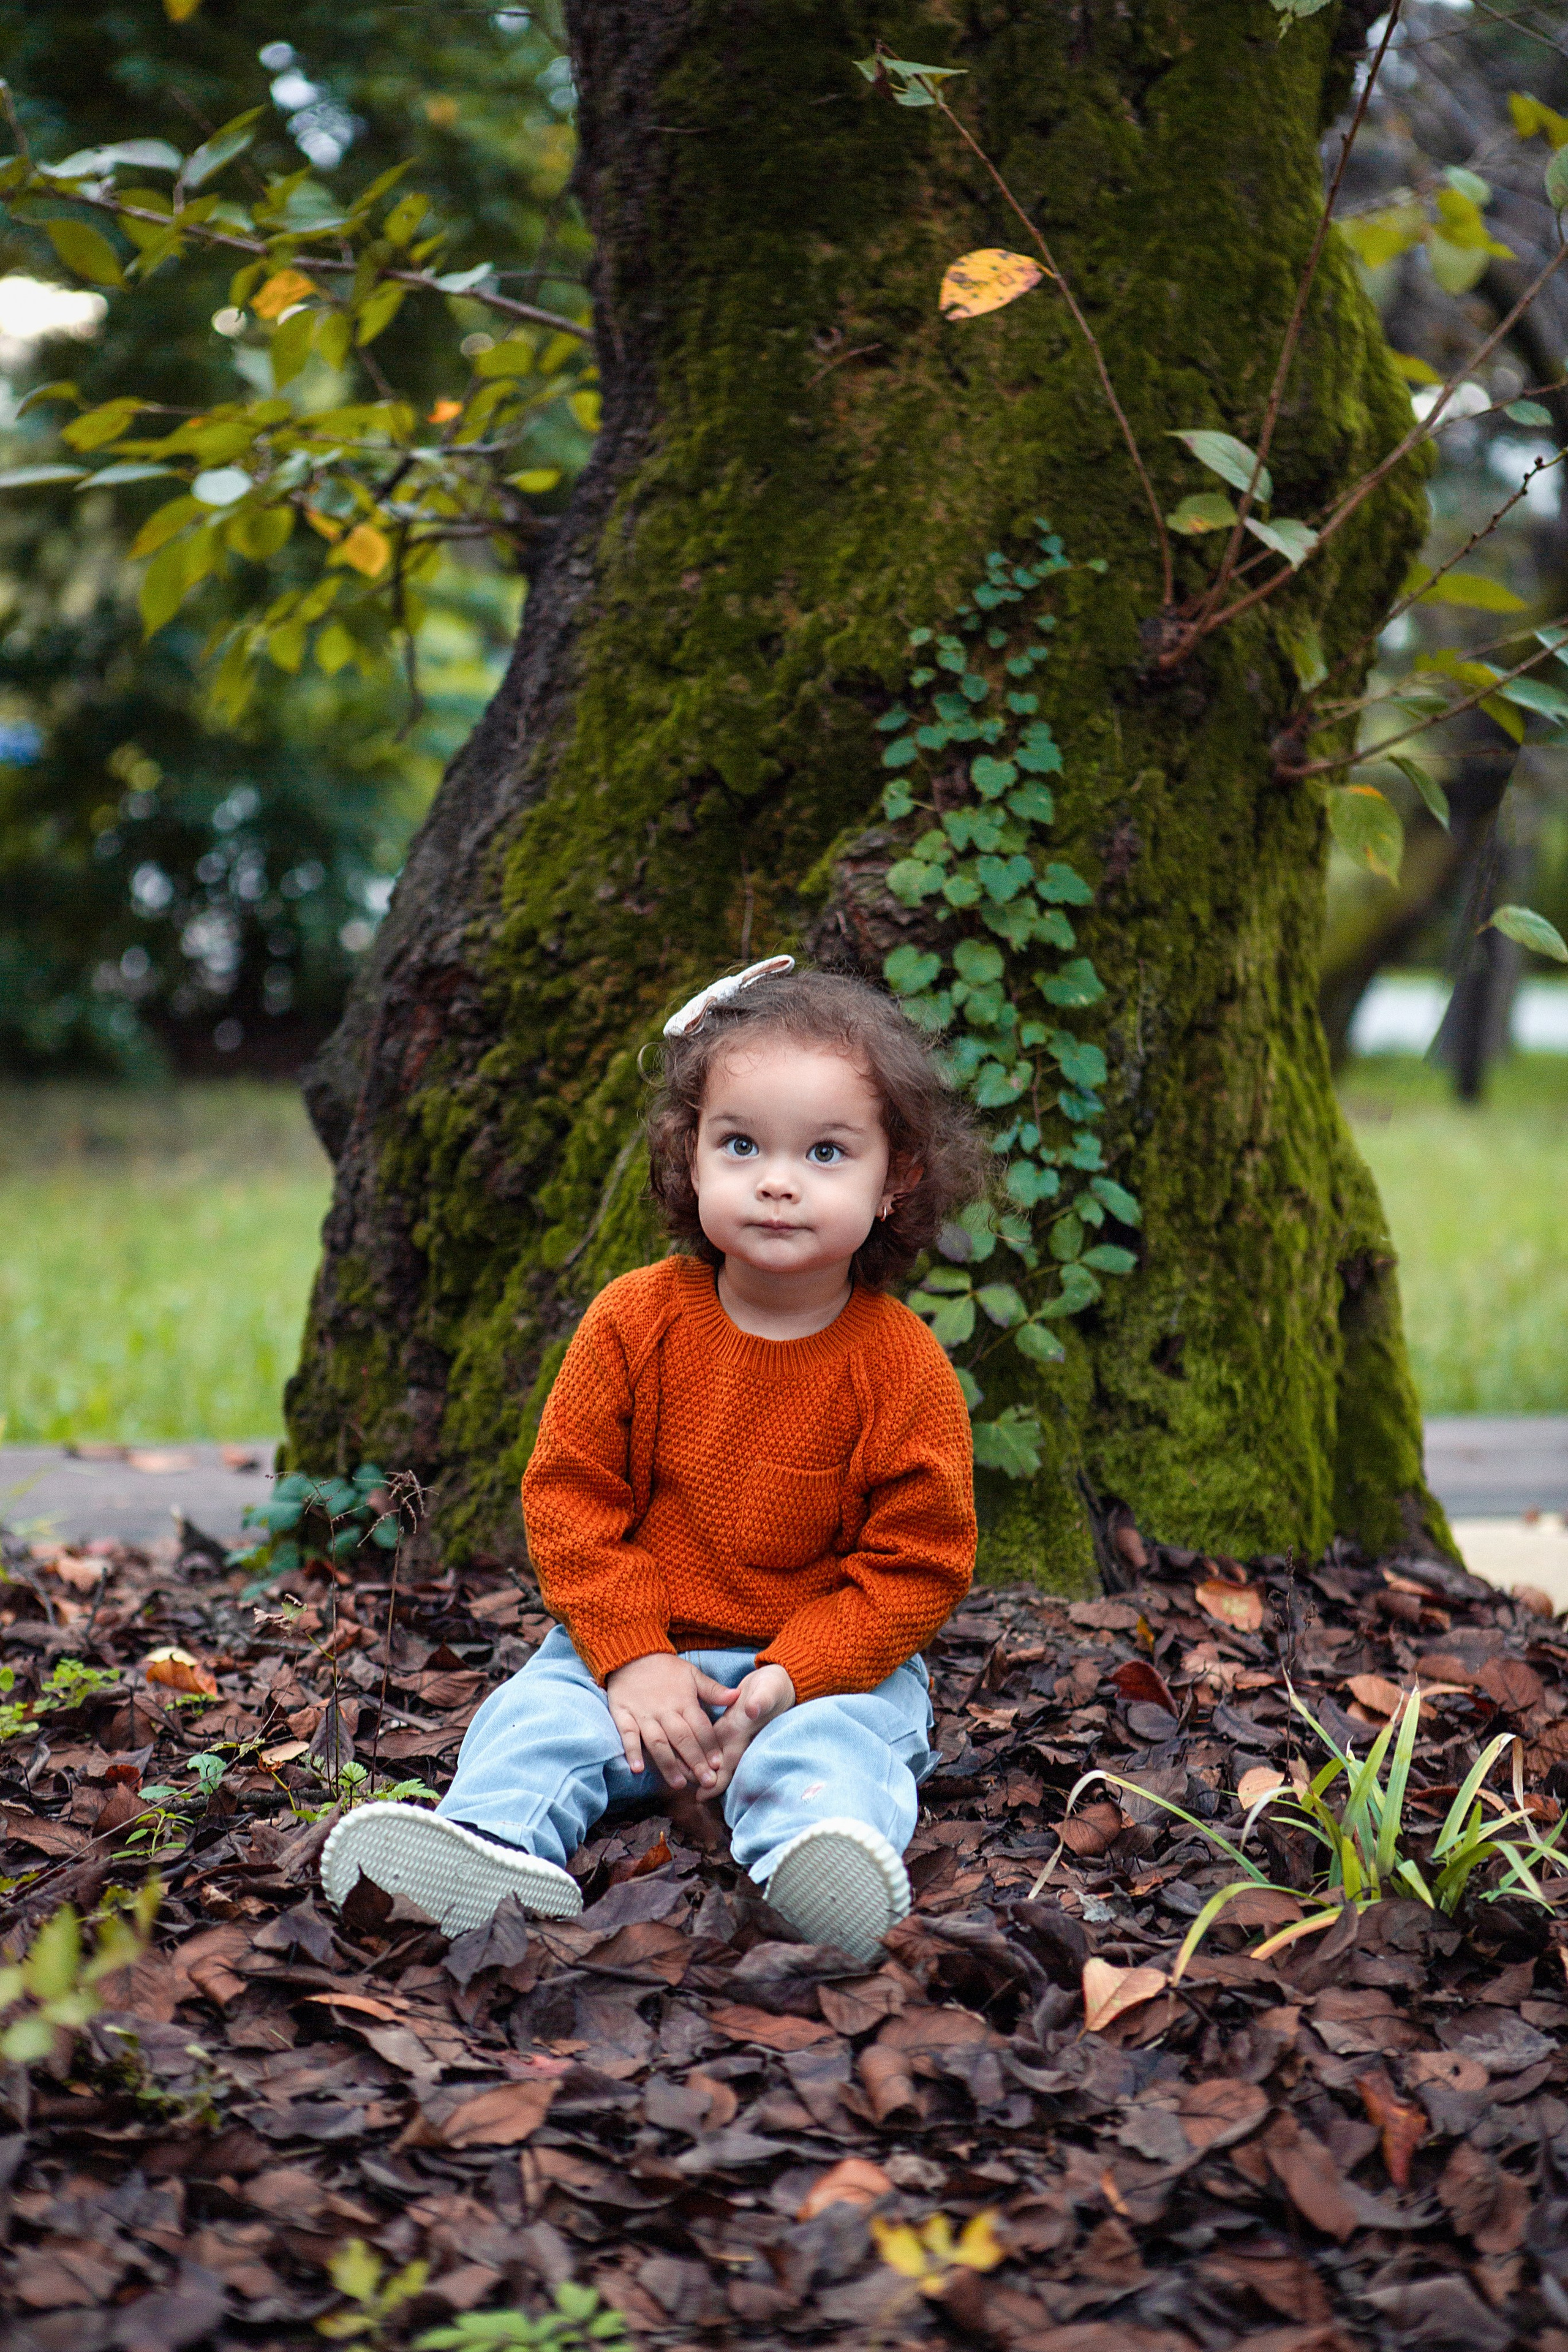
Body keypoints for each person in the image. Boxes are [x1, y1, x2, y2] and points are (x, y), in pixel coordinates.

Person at [322, 959, 985, 1961]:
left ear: (897, 1180)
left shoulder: (902, 1365)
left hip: (819, 1672)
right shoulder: (638, 1319)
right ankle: (491, 1846)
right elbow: (571, 1498)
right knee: (538, 1717)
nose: (775, 1178)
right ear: (692, 1157)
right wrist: (632, 1658)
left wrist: (780, 1683)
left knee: (841, 1749)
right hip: (630, 1654)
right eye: (742, 1143)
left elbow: (917, 1567)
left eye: (826, 1153)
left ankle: (815, 1866)